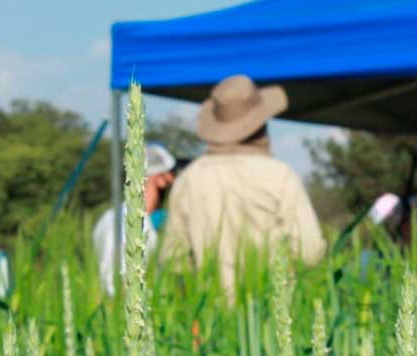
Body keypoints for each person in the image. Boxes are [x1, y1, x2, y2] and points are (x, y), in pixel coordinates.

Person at [159, 75, 325, 303]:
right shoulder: (279, 176)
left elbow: (173, 262)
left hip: (209, 320)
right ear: (261, 124)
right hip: (273, 317)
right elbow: (310, 251)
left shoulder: (188, 180)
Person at [92, 143, 177, 295]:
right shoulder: (132, 224)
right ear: (160, 179)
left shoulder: (111, 216)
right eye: (172, 173)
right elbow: (121, 284)